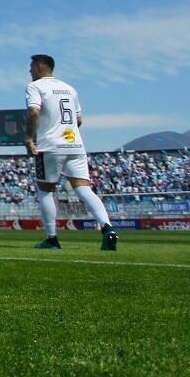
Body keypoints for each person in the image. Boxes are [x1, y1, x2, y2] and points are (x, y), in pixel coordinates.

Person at [25, 55, 117, 251]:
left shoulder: (35, 87)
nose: (30, 70)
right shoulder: (70, 88)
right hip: (75, 145)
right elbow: (79, 120)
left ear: (41, 67)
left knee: (45, 190)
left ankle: (52, 238)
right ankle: (107, 227)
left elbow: (33, 112)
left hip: (50, 146)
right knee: (83, 189)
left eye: (32, 66)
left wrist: (28, 138)